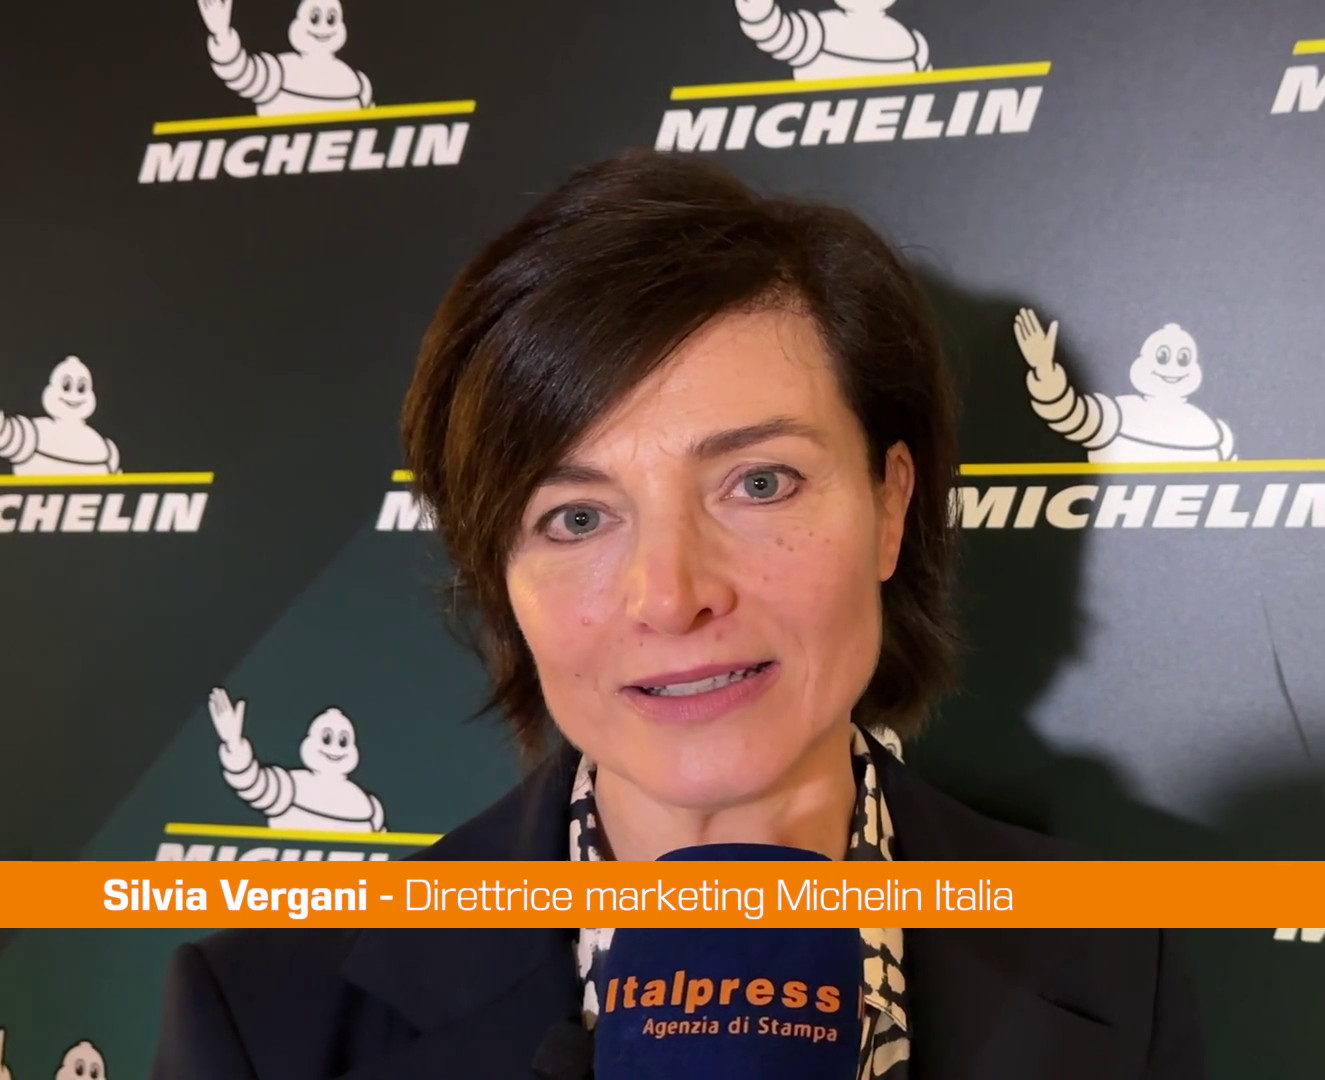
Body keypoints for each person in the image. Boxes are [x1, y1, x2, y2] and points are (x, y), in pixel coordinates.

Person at [150, 149, 1207, 1079]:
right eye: (575, 518)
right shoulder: (267, 1020)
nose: (671, 595)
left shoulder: (1114, 950)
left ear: (890, 509)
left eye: (760, 484)